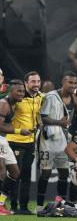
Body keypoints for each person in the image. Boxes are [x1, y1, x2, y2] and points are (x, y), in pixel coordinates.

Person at [36, 72, 77, 211]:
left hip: (63, 139)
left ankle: (60, 204)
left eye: (75, 83)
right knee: (46, 173)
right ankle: (38, 206)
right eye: (70, 83)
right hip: (47, 139)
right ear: (63, 82)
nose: (73, 86)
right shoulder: (51, 96)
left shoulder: (74, 99)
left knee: (64, 173)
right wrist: (59, 122)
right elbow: (42, 118)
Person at [6, 71, 43, 214]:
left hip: (30, 143)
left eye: (38, 81)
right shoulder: (17, 98)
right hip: (15, 141)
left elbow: (39, 115)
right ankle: (13, 207)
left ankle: (23, 207)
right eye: (33, 82)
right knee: (16, 175)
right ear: (26, 83)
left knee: (26, 175)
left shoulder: (40, 97)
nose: (36, 84)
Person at [0, 80, 26, 215]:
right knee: (2, 172)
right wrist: (18, 131)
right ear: (11, 91)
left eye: (23, 91)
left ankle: (1, 202)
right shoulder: (4, 104)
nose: (22, 94)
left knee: (15, 173)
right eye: (19, 91)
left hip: (3, 140)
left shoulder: (14, 104)